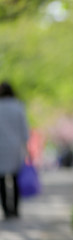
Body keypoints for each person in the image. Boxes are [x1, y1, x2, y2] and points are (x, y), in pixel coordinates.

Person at [0, 82, 29, 218]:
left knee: (1, 180)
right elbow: (24, 129)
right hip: (15, 147)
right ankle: (15, 210)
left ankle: (6, 210)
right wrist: (26, 146)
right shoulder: (18, 106)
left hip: (1, 147)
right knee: (15, 178)